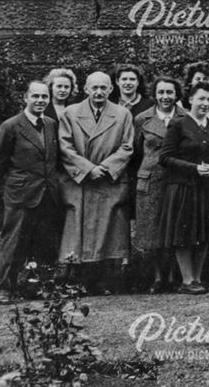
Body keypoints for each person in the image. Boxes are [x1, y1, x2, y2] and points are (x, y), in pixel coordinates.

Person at [58, 71, 134, 294]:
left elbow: (127, 146)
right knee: (79, 231)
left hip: (108, 181)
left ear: (111, 89)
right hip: (81, 181)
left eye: (104, 88)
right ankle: (76, 279)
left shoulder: (122, 114)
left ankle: (104, 280)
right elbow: (65, 146)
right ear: (86, 89)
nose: (99, 92)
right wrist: (88, 169)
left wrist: (106, 168)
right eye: (95, 88)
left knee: (108, 231)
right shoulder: (71, 113)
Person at [0, 81, 63, 304]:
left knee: (44, 244)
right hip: (20, 195)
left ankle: (35, 287)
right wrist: (16, 182)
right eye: (35, 96)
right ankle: (4, 289)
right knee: (13, 243)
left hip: (47, 193)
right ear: (25, 98)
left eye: (44, 97)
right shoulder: (10, 126)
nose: (40, 100)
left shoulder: (50, 124)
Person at [157, 81, 209, 294]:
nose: (205, 103)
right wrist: (194, 168)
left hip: (205, 188)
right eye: (201, 99)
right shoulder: (178, 125)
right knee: (184, 235)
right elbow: (165, 157)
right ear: (190, 100)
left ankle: (197, 278)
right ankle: (186, 281)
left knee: (203, 233)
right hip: (182, 187)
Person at [132, 76, 184, 293]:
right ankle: (157, 277)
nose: (165, 97)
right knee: (151, 230)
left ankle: (172, 275)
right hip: (150, 180)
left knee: (173, 227)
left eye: (169, 93)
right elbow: (135, 152)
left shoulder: (185, 117)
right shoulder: (141, 119)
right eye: (161, 92)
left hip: (175, 178)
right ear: (154, 94)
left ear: (176, 95)